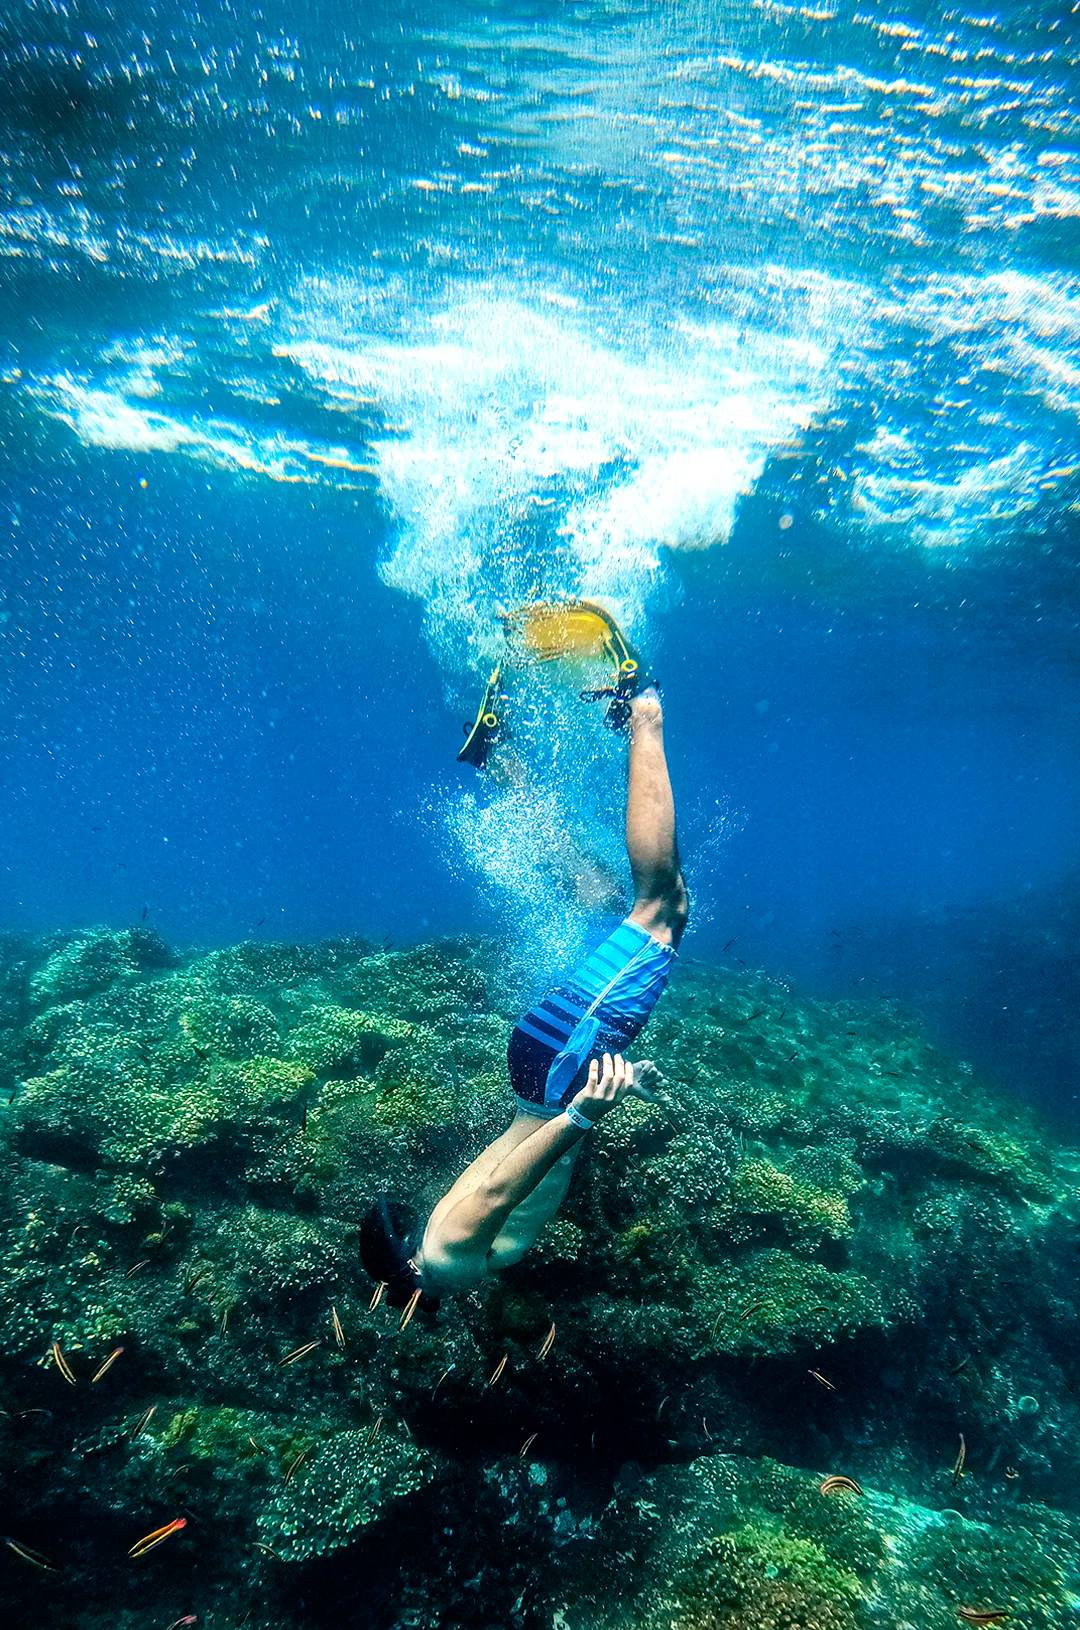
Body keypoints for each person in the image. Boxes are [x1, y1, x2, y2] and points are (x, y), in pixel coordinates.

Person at [359, 603, 689, 1313]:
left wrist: (584, 1113)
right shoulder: (434, 1245)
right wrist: (617, 1083)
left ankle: (643, 709)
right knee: (597, 892)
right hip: (541, 1070)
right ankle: (500, 760)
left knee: (661, 910)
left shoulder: (446, 1260)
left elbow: (501, 1189)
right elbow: (514, 1182)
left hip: (558, 1076)